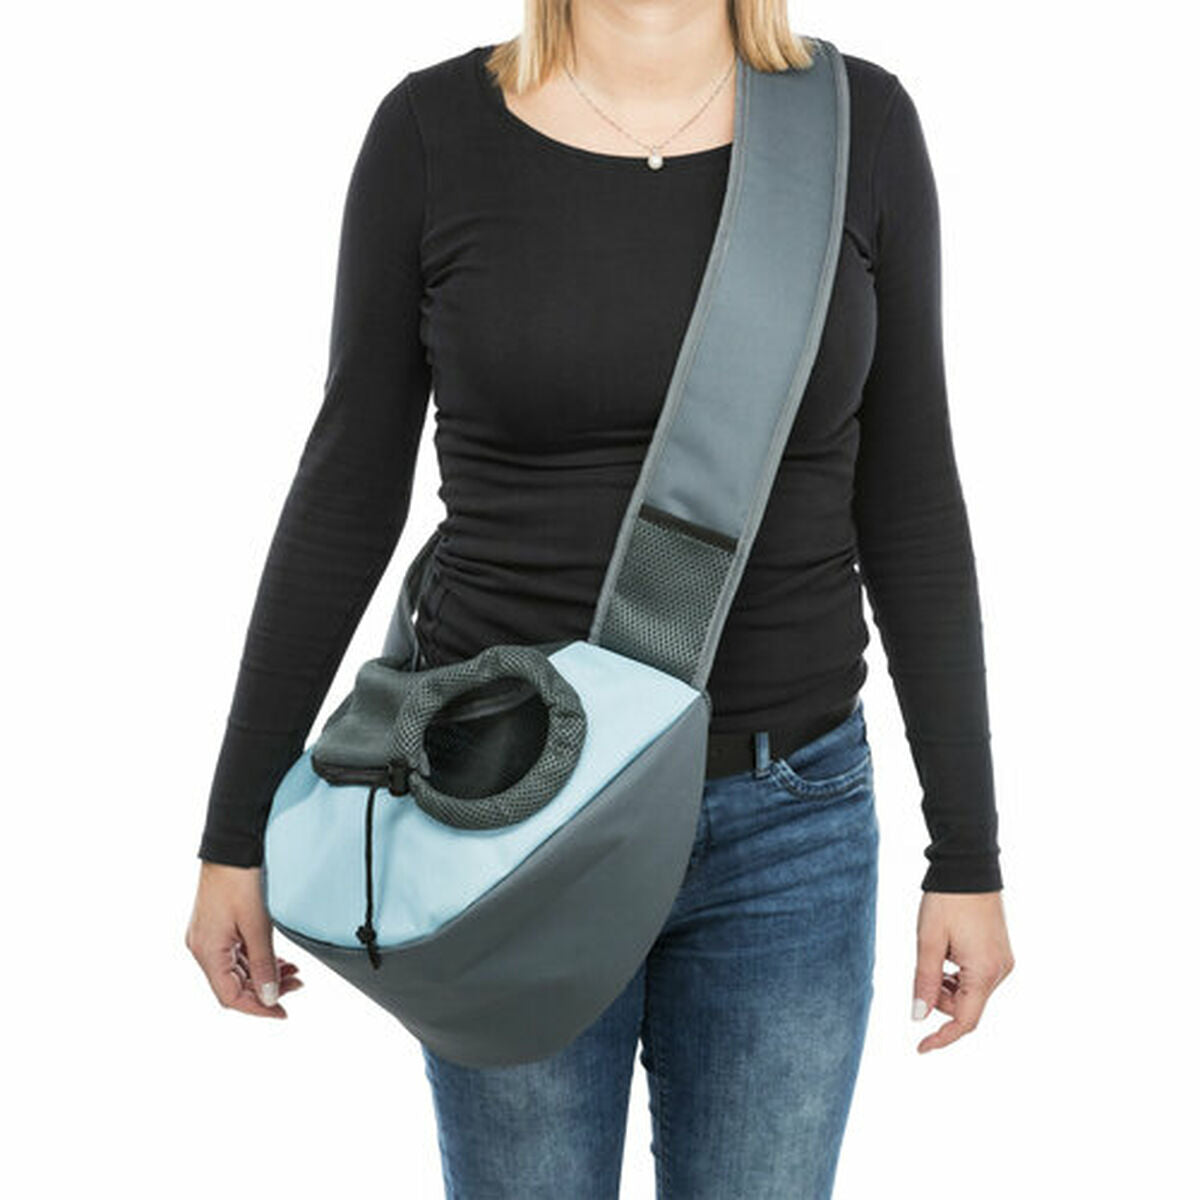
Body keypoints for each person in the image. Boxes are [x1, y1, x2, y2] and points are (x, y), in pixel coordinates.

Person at [186, 1, 1015, 1195]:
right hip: (503, 817)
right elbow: (344, 496)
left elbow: (913, 503)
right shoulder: (431, 132)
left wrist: (968, 852)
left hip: (787, 826)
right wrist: (232, 833)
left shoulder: (857, 125)